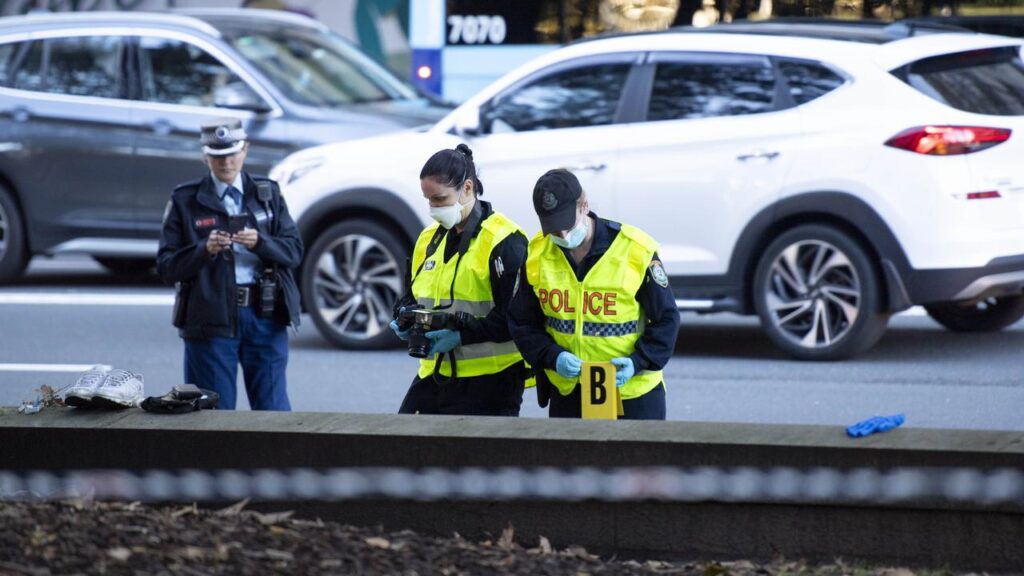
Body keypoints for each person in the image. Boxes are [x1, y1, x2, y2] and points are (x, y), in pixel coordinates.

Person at [509, 169, 679, 419]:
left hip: (632, 393)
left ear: (584, 206)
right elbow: (522, 323)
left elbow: (667, 319)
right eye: (554, 231)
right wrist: (552, 356)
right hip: (569, 392)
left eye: (567, 225)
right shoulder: (537, 255)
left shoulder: (635, 251)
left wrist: (638, 361)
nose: (563, 236)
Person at [157, 119, 303, 411]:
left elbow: (294, 251)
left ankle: (274, 460)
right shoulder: (185, 199)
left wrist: (260, 242)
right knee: (213, 413)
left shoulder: (267, 194)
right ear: (205, 156)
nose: (226, 162)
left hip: (265, 313)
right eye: (217, 155)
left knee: (273, 412)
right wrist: (204, 250)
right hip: (210, 319)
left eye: (233, 153)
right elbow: (166, 266)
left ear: (245, 150)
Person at [391, 144, 530, 416]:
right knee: (406, 447)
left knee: (474, 459)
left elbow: (517, 319)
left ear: (467, 188)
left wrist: (461, 335)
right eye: (428, 200)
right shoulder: (428, 239)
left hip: (491, 380)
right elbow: (413, 295)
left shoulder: (505, 240)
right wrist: (404, 317)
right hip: (436, 372)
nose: (433, 208)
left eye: (440, 199)